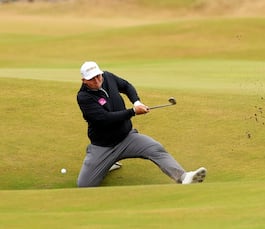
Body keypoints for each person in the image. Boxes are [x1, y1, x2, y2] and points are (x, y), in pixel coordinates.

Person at [76, 61, 207, 187]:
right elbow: (105, 119)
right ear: (84, 81)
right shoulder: (83, 97)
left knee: (155, 148)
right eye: (92, 79)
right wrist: (133, 111)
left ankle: (184, 177)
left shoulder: (108, 77)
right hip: (103, 147)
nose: (97, 81)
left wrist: (136, 102)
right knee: (84, 184)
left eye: (98, 76)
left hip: (127, 138)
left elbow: (126, 86)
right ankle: (107, 163)